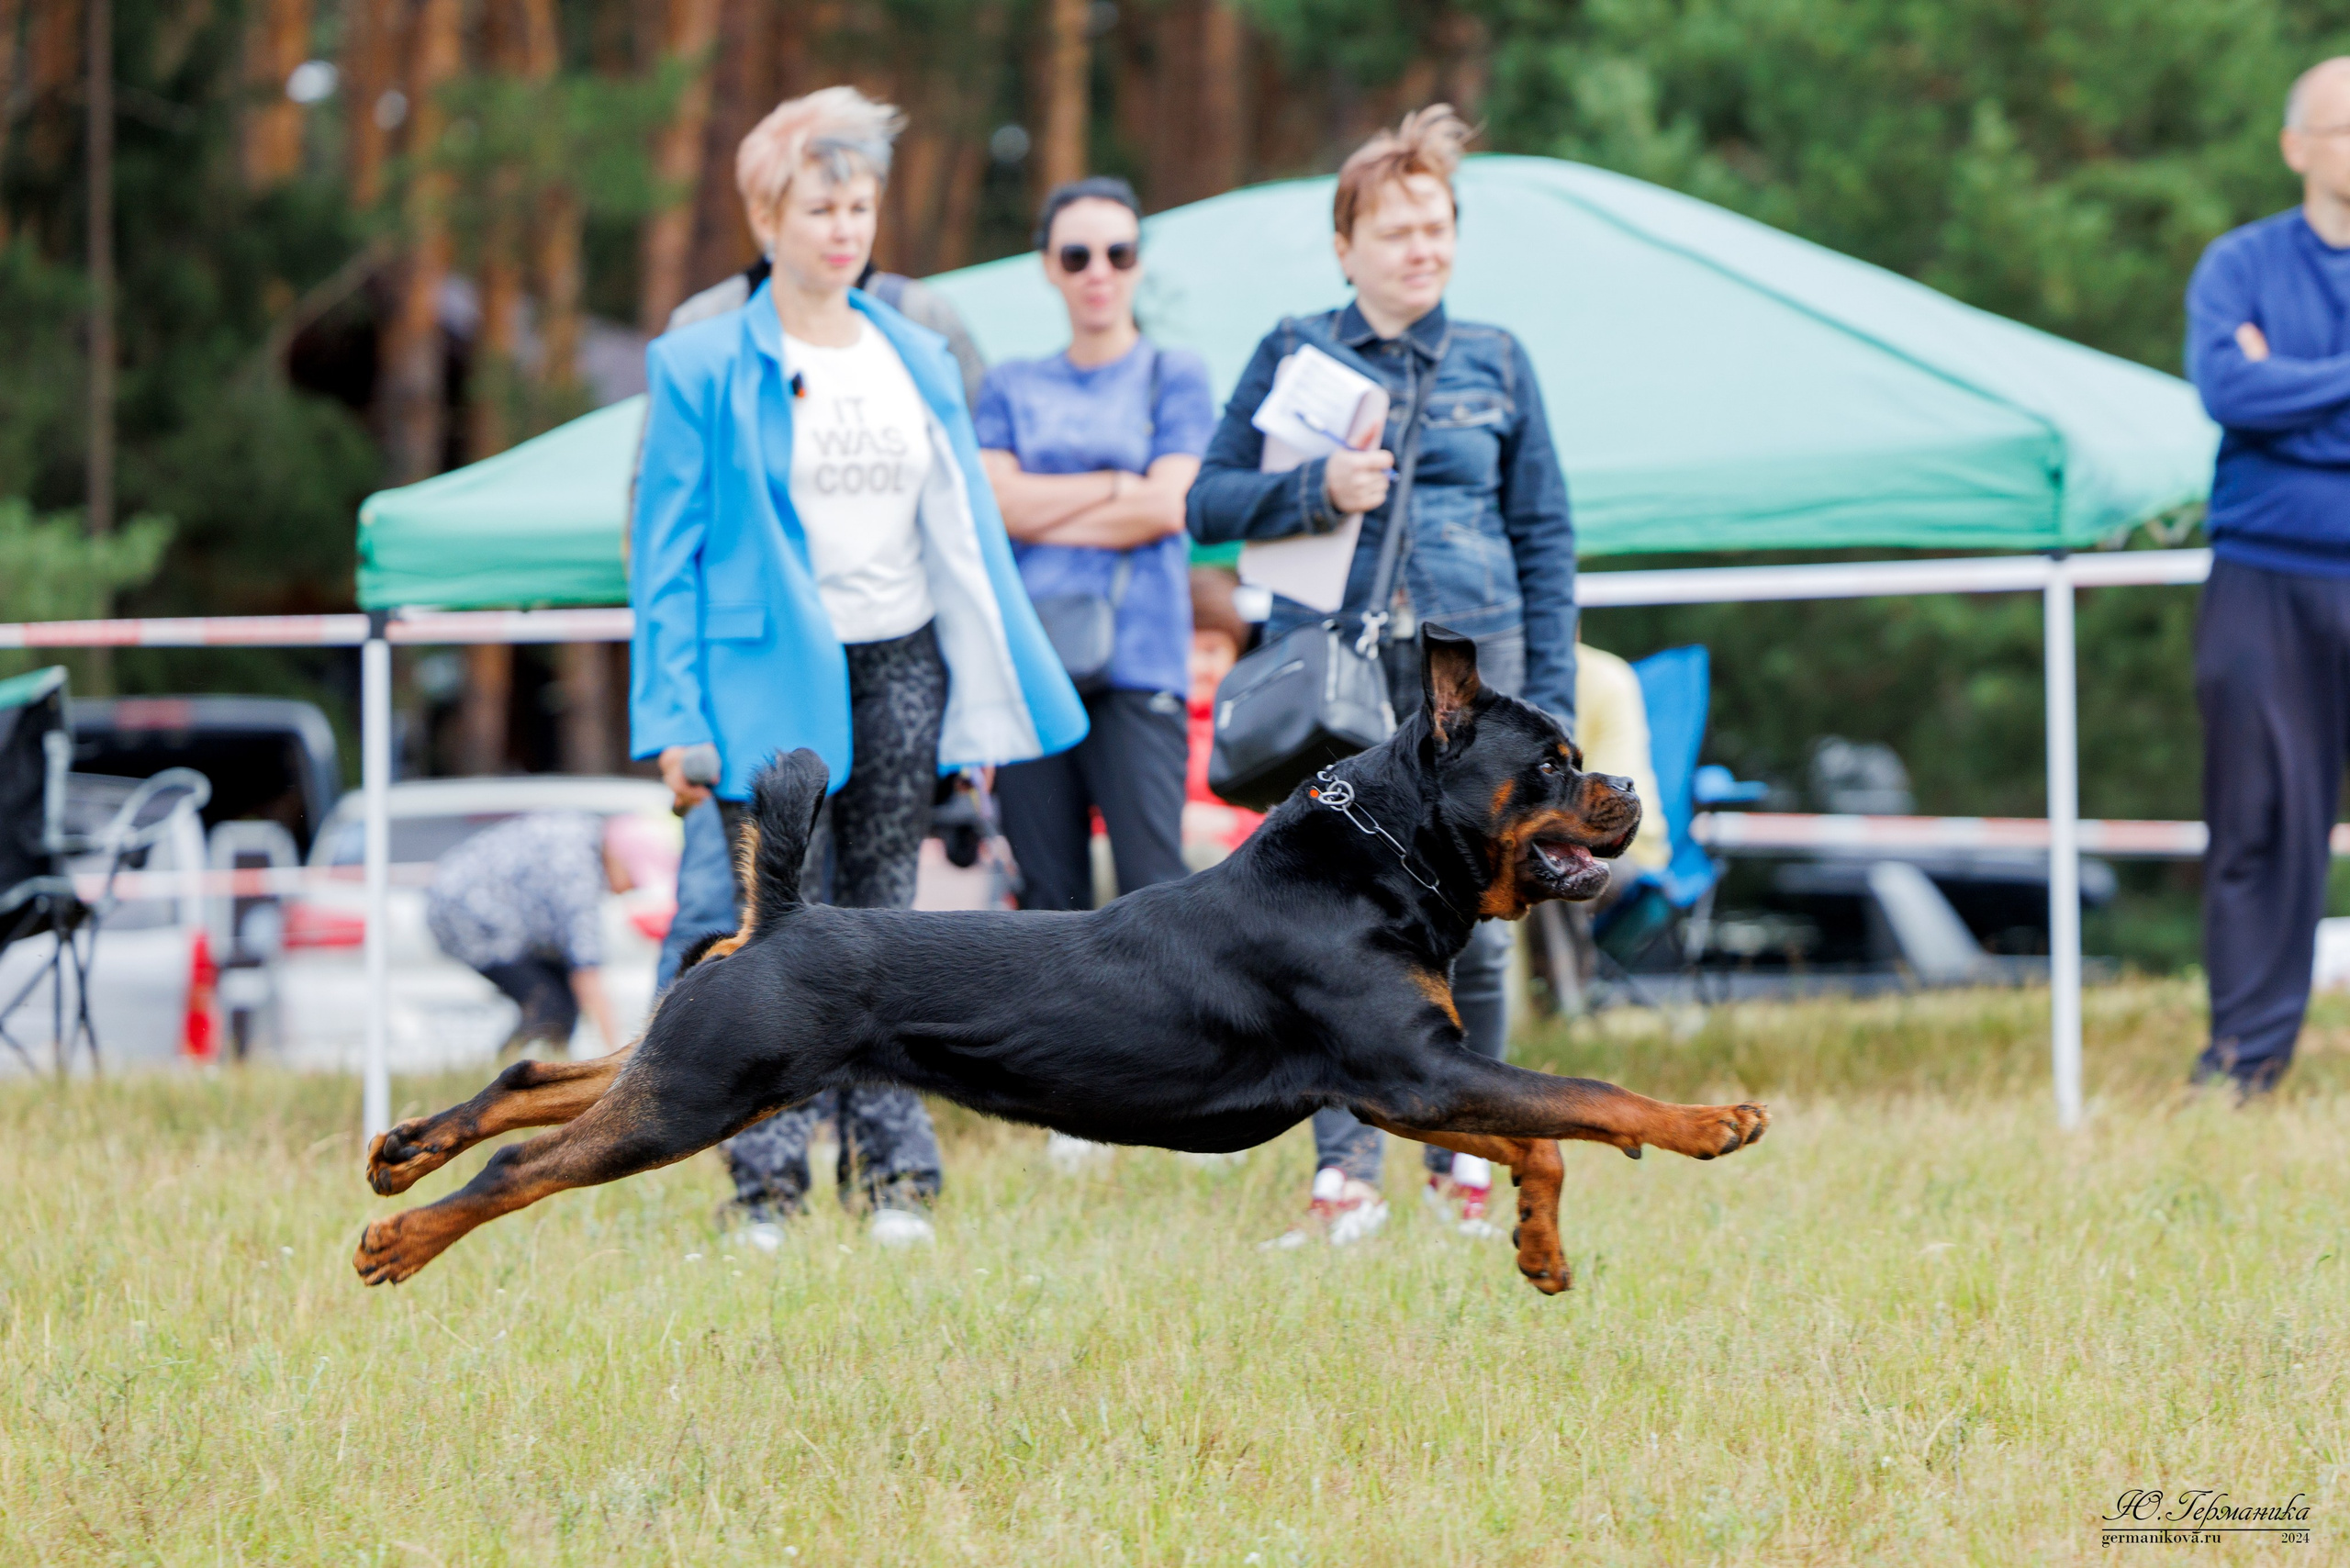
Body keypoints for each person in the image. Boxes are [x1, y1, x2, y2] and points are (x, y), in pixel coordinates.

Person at [631, 85, 1088, 1249]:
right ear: (767, 217)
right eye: (821, 207)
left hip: (902, 661)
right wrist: (672, 717)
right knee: (772, 925)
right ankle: (764, 1184)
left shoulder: (919, 349)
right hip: (760, 675)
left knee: (889, 923)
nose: (844, 228)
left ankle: (894, 1177)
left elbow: (962, 522)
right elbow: (664, 554)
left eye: (860, 207)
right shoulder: (698, 362)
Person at [1187, 106, 1578, 1244]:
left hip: (1479, 675)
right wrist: (1317, 493)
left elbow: (1544, 535)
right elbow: (1205, 503)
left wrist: (1545, 696)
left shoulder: (1498, 359)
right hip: (1341, 679)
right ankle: (1344, 1176)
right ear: (1344, 244)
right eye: (1397, 229)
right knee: (1327, 927)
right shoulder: (1295, 351)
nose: (1423, 247)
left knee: (1487, 920)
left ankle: (1468, 1158)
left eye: (1438, 225)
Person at [977, 177, 1218, 915]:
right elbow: (996, 507)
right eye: (1076, 256)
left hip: (1141, 663)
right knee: (1046, 899)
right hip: (1032, 664)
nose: (1098, 272)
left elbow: (1171, 505)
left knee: (1156, 892)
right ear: (1049, 266)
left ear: (1139, 262)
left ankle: (1168, 1038)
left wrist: (1043, 502)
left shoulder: (1173, 374)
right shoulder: (1009, 383)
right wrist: (1120, 486)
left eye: (1118, 253)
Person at [2182, 56, 2350, 1100]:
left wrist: (2291, 388)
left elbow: (2267, 395)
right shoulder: (2237, 264)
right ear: (2295, 147)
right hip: (2263, 581)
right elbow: (2228, 390)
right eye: (2341, 128)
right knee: (2257, 824)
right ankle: (2241, 1065)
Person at [425, 812, 669, 1056]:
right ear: (618, 857)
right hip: (467, 916)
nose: (628, 890)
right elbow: (586, 970)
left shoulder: (581, 835)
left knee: (559, 998)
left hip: (476, 908)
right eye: (633, 881)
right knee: (547, 1002)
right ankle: (513, 1072)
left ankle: (542, 1066)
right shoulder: (577, 868)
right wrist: (618, 1056)